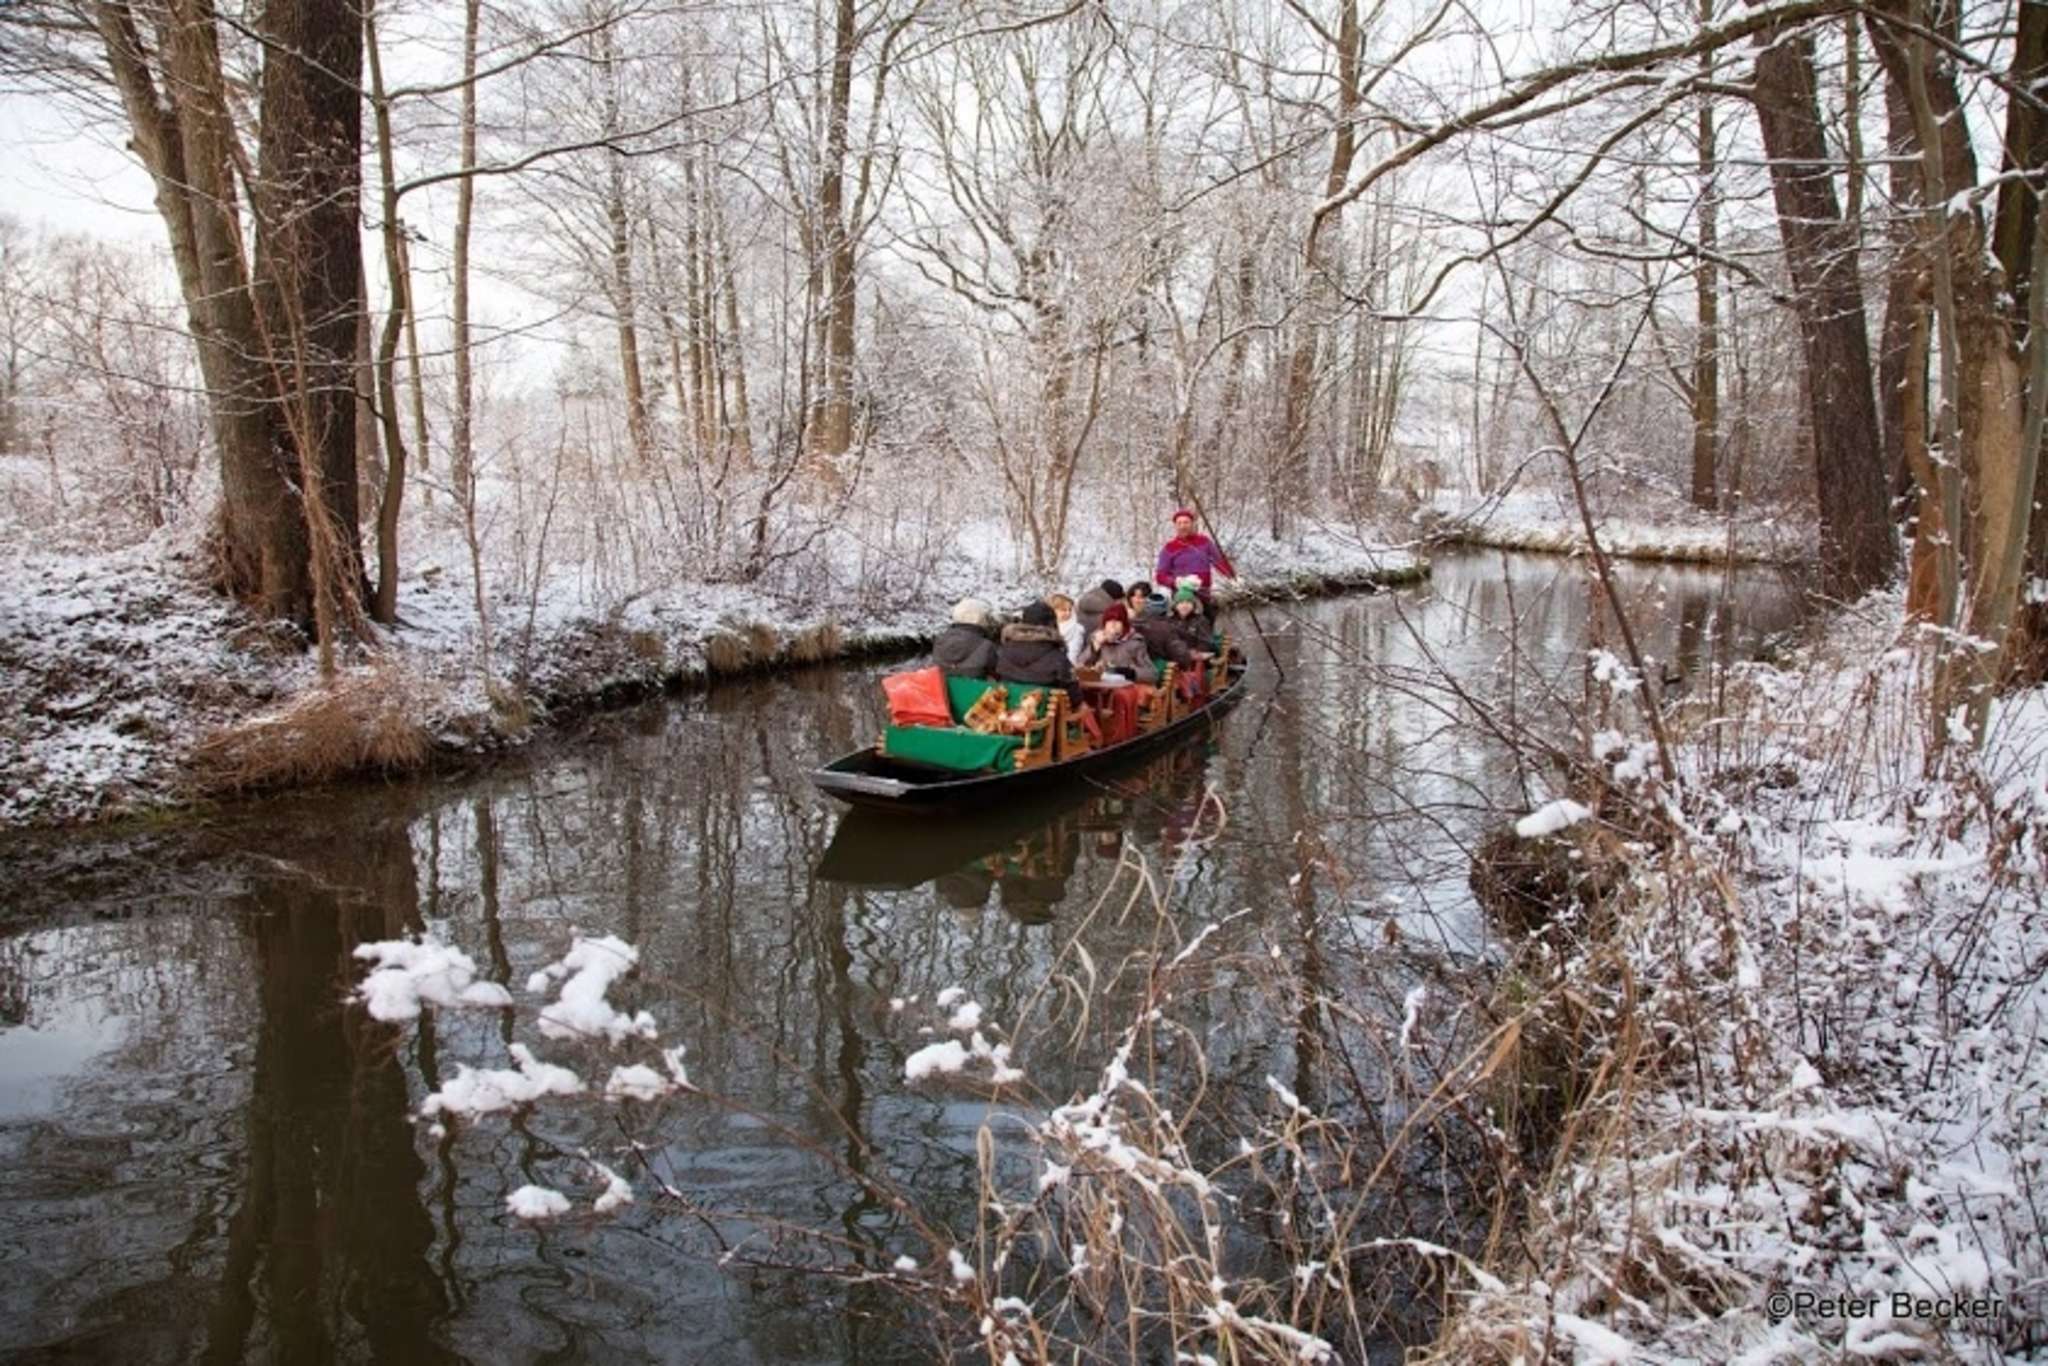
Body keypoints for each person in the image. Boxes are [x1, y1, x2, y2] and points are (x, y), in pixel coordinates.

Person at [996, 601, 1083, 704]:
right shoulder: (1057, 656)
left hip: (1006, 708)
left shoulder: (1003, 649)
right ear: (1052, 624)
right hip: (1044, 712)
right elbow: (1074, 697)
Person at [1155, 509, 1234, 595]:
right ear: (1175, 526)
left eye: (1186, 522)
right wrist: (1178, 582)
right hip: (1181, 597)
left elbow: (1219, 562)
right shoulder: (1169, 548)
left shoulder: (1204, 542)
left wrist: (1232, 578)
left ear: (1192, 524)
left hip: (1204, 593)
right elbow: (1160, 576)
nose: (1182, 526)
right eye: (1179, 523)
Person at [1079, 603, 1155, 676]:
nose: (1113, 624)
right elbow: (1080, 667)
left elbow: (1151, 673)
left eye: (1118, 620)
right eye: (1109, 620)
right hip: (1101, 686)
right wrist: (1095, 648)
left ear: (1124, 624)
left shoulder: (1135, 642)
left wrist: (1128, 672)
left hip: (1127, 686)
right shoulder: (1097, 639)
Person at [932, 597, 998, 678]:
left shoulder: (939, 641)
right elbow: (996, 676)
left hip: (941, 690)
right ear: (980, 618)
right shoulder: (987, 646)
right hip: (975, 690)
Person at [1049, 593, 1087, 664]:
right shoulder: (1048, 626)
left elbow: (1073, 654)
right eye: (1063, 610)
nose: (1068, 613)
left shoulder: (1075, 630)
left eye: (1069, 610)